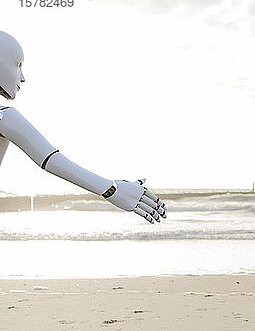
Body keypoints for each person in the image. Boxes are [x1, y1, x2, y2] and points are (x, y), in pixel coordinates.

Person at [0, 30, 166, 223]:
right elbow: (50, 159)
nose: (22, 77)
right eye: (17, 65)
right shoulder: (5, 116)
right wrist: (112, 189)